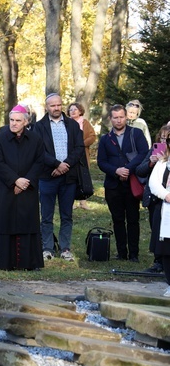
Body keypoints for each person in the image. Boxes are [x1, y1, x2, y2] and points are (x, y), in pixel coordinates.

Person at [0, 105, 45, 271]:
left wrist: (25, 181)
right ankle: (8, 262)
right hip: (7, 187)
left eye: (17, 121)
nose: (13, 124)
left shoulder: (35, 139)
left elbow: (39, 161)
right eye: (11, 120)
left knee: (28, 222)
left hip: (28, 187)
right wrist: (15, 180)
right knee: (8, 222)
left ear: (26, 122)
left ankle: (30, 263)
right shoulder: (0, 139)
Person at [33, 94, 84, 262]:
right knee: (46, 215)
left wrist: (64, 165)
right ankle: (47, 248)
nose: (56, 108)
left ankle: (65, 248)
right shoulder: (39, 127)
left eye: (59, 105)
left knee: (66, 214)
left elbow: (79, 148)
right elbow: (39, 151)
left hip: (68, 177)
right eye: (52, 105)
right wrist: (56, 164)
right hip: (47, 177)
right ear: (46, 107)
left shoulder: (72, 125)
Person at [97, 104, 150, 262]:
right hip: (113, 185)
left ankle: (134, 253)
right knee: (118, 219)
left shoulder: (136, 134)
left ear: (126, 117)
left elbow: (143, 154)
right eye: (115, 117)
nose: (119, 120)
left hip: (131, 183)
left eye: (121, 117)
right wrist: (116, 171)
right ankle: (122, 252)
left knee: (133, 219)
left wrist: (127, 169)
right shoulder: (106, 139)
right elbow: (101, 162)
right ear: (110, 119)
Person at [136, 125, 170, 273]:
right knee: (156, 229)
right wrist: (151, 162)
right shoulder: (155, 152)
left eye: (167, 138)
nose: (164, 141)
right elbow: (140, 171)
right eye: (162, 138)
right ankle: (159, 261)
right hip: (156, 199)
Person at [148, 143, 170, 296]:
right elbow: (153, 183)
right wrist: (166, 195)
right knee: (167, 250)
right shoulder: (163, 163)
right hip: (166, 209)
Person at [68, 102, 97, 210]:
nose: (73, 111)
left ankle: (83, 202)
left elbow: (92, 136)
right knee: (71, 178)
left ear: (80, 111)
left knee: (83, 177)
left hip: (83, 154)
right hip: (70, 154)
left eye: (75, 109)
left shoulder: (85, 123)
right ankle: (70, 202)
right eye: (71, 110)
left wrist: (82, 144)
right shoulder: (66, 123)